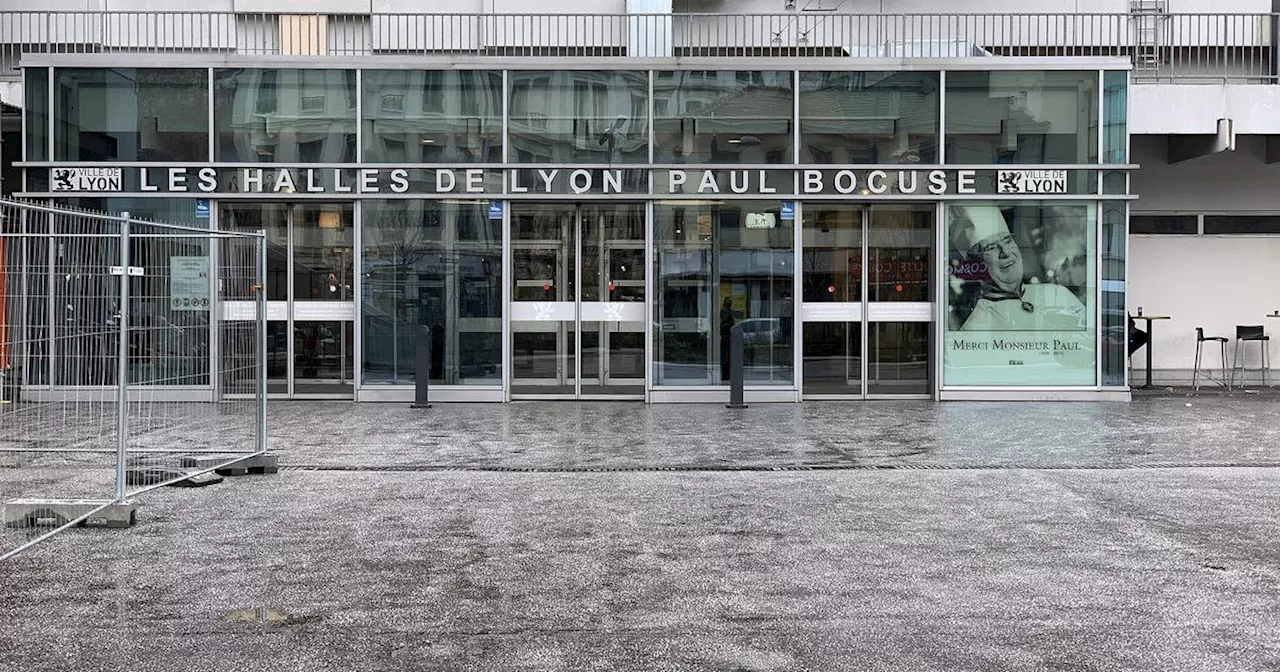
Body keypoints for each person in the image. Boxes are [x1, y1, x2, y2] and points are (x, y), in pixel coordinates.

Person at [953, 204, 1087, 333]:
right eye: (991, 248)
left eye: (1007, 241)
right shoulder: (975, 327)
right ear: (978, 265)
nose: (1005, 252)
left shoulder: (1057, 293)